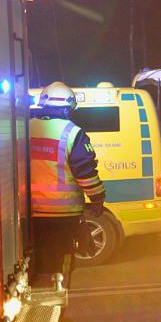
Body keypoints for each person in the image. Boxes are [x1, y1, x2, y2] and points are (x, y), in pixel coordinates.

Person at [29, 81, 106, 289]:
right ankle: (56, 299)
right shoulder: (73, 132)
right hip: (63, 215)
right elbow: (86, 172)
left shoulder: (24, 129)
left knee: (35, 261)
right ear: (66, 108)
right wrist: (98, 198)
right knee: (61, 262)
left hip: (28, 214)